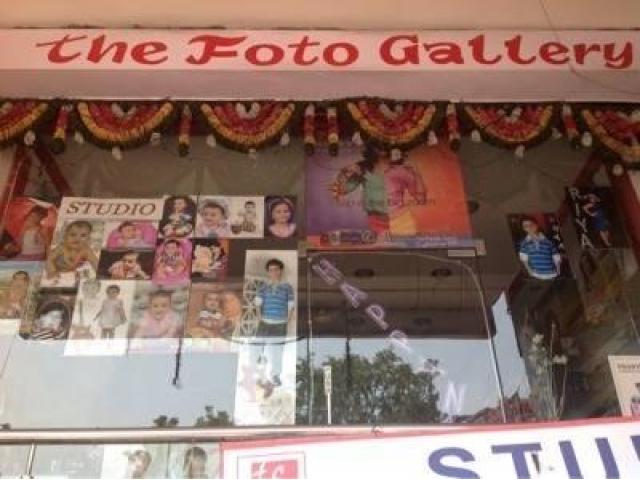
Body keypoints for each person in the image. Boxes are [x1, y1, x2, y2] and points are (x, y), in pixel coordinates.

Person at [331, 147, 426, 236]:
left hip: (400, 221)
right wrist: (344, 172)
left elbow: (421, 200)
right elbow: (342, 189)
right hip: (376, 222)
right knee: (380, 247)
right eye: (378, 145)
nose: (381, 150)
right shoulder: (363, 169)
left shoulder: (402, 170)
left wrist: (417, 173)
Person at [252, 258, 295, 391]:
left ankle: (275, 375)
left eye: (276, 269)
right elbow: (257, 303)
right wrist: (259, 317)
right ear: (268, 272)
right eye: (270, 270)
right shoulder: (263, 287)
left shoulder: (287, 287)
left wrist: (288, 320)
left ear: (280, 271)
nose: (273, 272)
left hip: (280, 323)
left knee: (277, 350)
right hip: (264, 322)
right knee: (258, 348)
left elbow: (291, 304)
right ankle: (258, 374)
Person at [518, 216, 563, 281]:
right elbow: (524, 259)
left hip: (552, 274)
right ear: (524, 229)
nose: (529, 227)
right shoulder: (524, 242)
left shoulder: (548, 240)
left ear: (536, 225)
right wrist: (530, 271)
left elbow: (556, 256)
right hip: (536, 275)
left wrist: (558, 270)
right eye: (526, 226)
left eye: (531, 224)